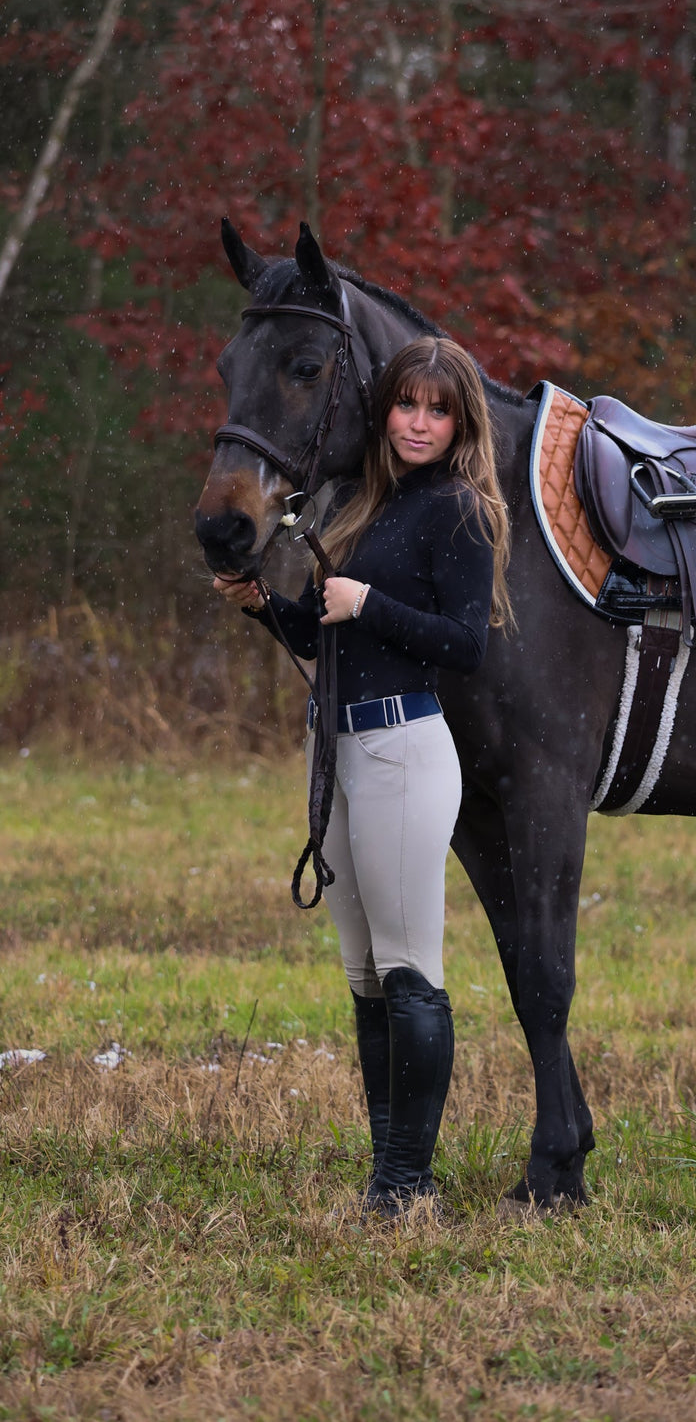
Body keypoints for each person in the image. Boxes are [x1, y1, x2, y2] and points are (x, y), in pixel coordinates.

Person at [213, 337, 512, 1215]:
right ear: (384, 412)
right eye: (406, 405)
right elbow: (322, 637)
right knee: (367, 976)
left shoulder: (462, 508)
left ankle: (407, 1186)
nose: (418, 423)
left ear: (460, 422)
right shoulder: (366, 505)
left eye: (438, 409)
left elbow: (466, 644)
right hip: (336, 750)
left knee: (412, 969)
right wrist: (269, 605)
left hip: (404, 751)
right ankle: (388, 1171)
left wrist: (369, 602)